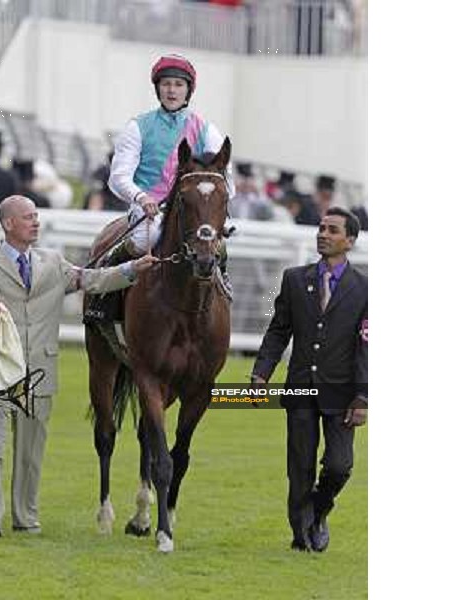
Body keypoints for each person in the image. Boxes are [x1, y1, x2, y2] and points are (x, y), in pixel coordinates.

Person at [0, 195, 158, 538]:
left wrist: (132, 270)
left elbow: (92, 280)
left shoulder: (52, 263)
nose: (36, 222)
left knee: (31, 452)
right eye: (28, 217)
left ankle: (26, 519)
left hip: (41, 372)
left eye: (36, 216)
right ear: (8, 224)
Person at [250, 206, 367, 552]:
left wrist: (363, 396)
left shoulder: (365, 288)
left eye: (332, 230)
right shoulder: (294, 279)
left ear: (350, 240)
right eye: (321, 228)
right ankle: (302, 535)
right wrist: (261, 374)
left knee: (339, 466)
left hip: (343, 393)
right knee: (299, 469)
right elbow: (278, 331)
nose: (323, 234)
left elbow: (367, 346)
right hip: (299, 387)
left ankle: (318, 511)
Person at [87, 54, 234, 321]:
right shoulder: (137, 127)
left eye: (179, 84)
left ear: (188, 90)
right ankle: (104, 299)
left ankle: (222, 286)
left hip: (190, 211)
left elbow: (225, 180)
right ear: (158, 88)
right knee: (147, 238)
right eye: (166, 84)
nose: (172, 90)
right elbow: (118, 177)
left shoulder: (206, 130)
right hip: (149, 209)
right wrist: (141, 197)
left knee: (216, 245)